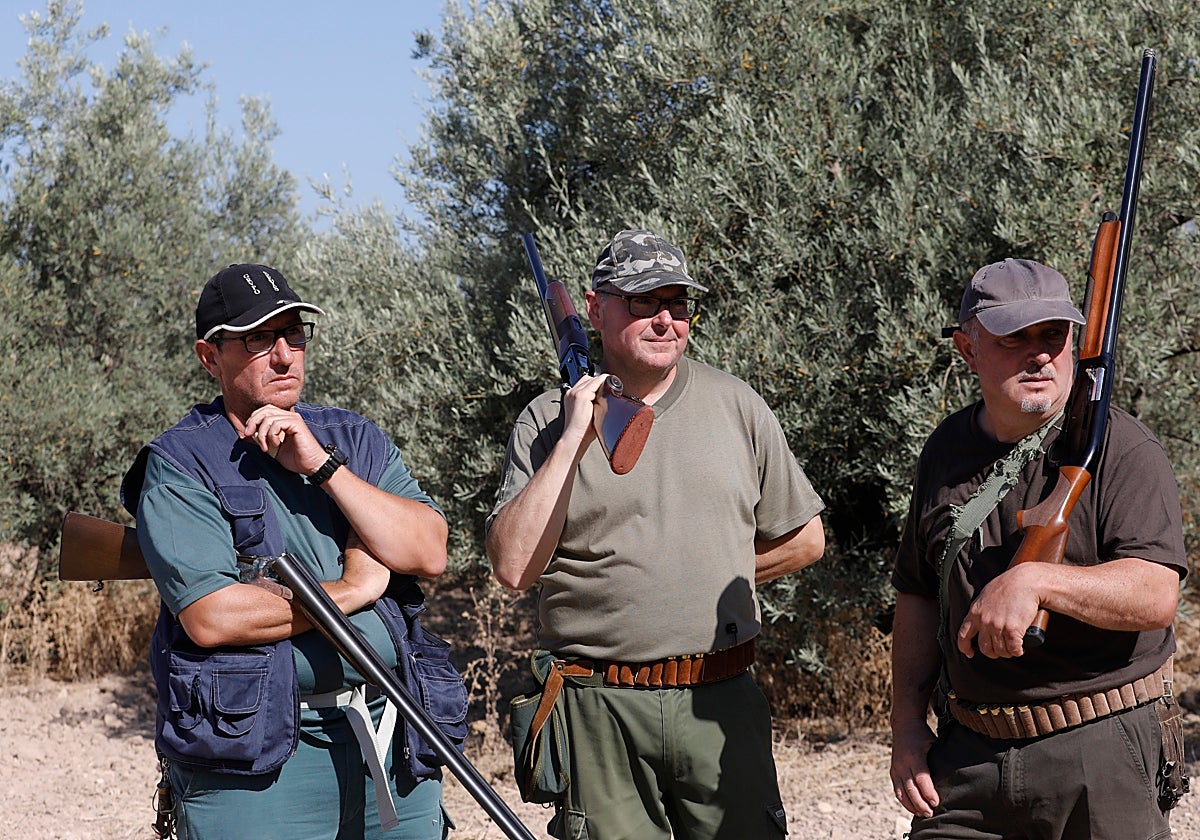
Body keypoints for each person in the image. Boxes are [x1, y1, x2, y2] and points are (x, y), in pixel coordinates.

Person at [486, 229, 826, 839]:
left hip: (719, 698)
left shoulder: (737, 405)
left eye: (678, 302)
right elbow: (513, 568)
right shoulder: (544, 421)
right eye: (643, 301)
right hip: (599, 710)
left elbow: (805, 540)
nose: (665, 318)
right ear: (594, 309)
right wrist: (572, 440)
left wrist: (700, 572)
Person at [120, 264, 459, 839]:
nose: (284, 356)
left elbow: (427, 550)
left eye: (294, 335)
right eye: (258, 338)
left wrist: (325, 469)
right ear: (210, 356)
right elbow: (211, 616)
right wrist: (353, 589)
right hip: (257, 759)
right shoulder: (180, 463)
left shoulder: (352, 439)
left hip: (389, 728)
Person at [889, 258, 1188, 840]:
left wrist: (1037, 583)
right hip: (967, 755)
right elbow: (919, 594)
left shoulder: (1123, 449)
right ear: (967, 349)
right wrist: (905, 726)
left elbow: (1156, 595)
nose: (1040, 355)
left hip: (1099, 750)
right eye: (1013, 338)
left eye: (1054, 335)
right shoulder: (945, 448)